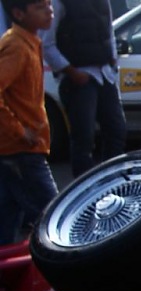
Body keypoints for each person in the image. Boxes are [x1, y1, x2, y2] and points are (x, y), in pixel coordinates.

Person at [41, 0, 127, 178]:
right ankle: (85, 191)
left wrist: (112, 61)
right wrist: (71, 72)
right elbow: (46, 43)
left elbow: (108, 31)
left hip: (104, 75)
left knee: (116, 130)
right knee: (83, 139)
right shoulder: (59, 3)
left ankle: (113, 182)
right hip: (79, 78)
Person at [0, 0, 58, 246]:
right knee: (55, 216)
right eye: (40, 7)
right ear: (18, 13)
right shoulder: (16, 46)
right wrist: (18, 130)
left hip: (21, 148)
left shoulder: (29, 41)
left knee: (8, 216)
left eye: (49, 4)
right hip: (21, 149)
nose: (49, 11)